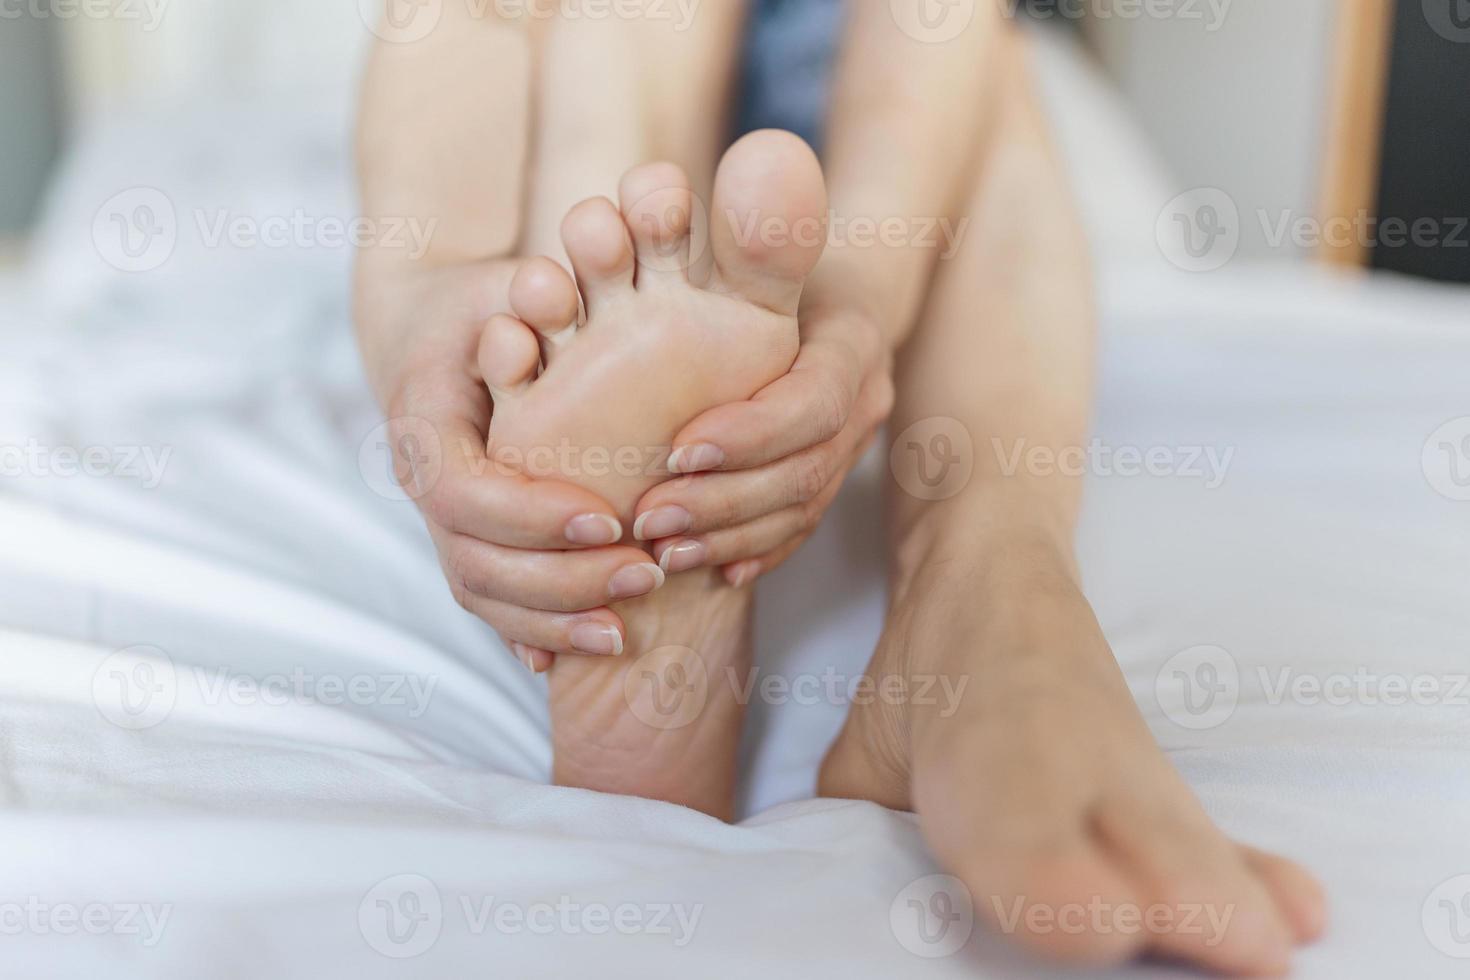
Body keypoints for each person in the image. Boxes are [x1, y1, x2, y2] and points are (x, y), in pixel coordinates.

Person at [352, 1, 1325, 972]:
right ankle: (636, 396)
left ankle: (983, 589)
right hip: (626, 88)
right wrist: (425, 289)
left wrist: (855, 305)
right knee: (612, 49)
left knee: (998, 87)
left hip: (882, 128)